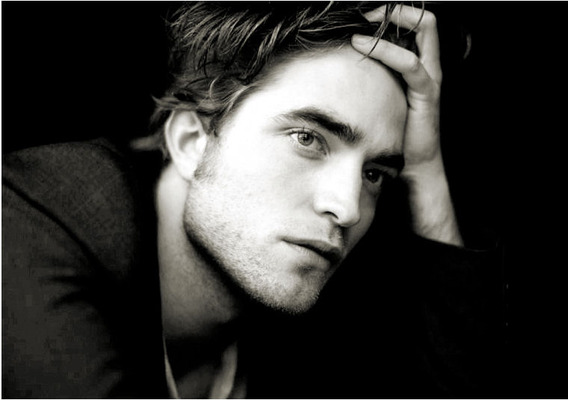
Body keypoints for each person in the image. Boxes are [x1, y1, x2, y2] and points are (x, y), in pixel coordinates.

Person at [2, 2, 502, 398]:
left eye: (374, 173)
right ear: (192, 141)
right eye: (308, 139)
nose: (348, 208)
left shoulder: (320, 313)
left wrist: (423, 171)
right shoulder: (31, 220)